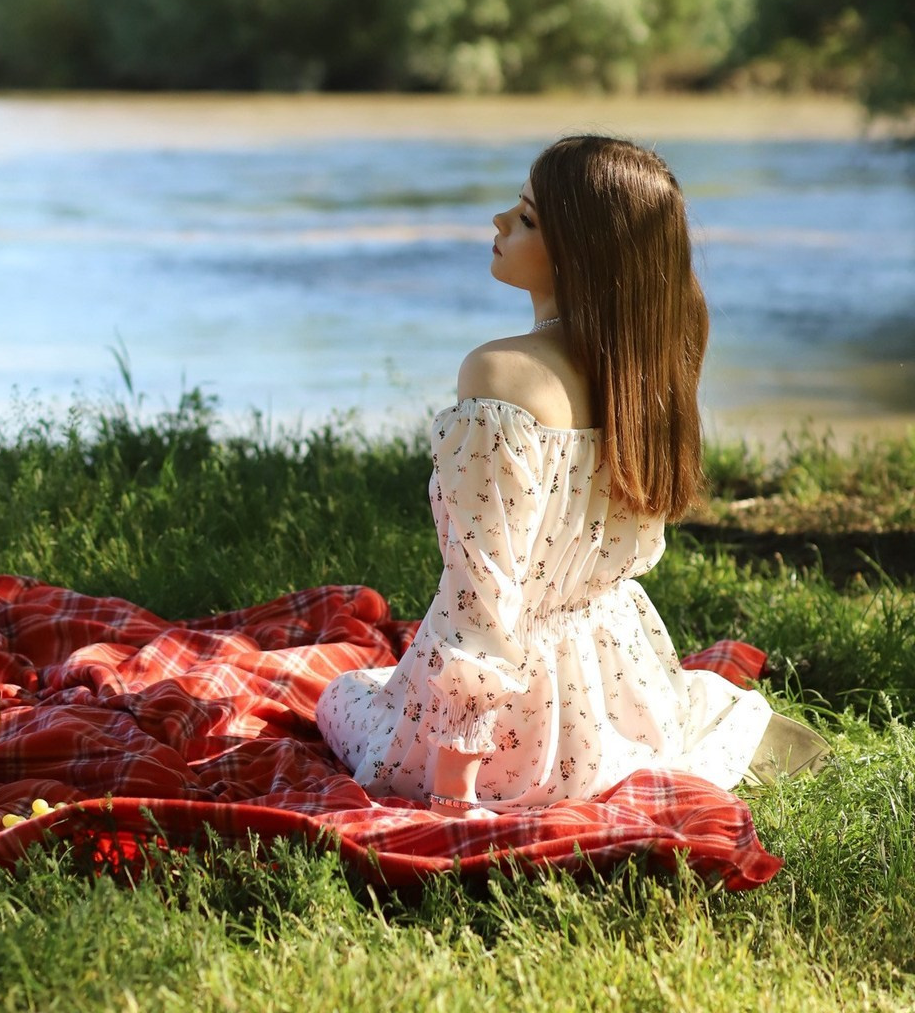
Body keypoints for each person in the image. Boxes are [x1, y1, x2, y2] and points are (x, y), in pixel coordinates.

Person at [316, 135, 827, 816]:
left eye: (527, 218)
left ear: (581, 255)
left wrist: (452, 792)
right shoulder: (642, 372)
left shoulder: (498, 376)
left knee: (343, 697)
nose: (499, 222)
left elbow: (481, 596)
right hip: (621, 685)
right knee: (378, 684)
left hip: (519, 728)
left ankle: (500, 768)